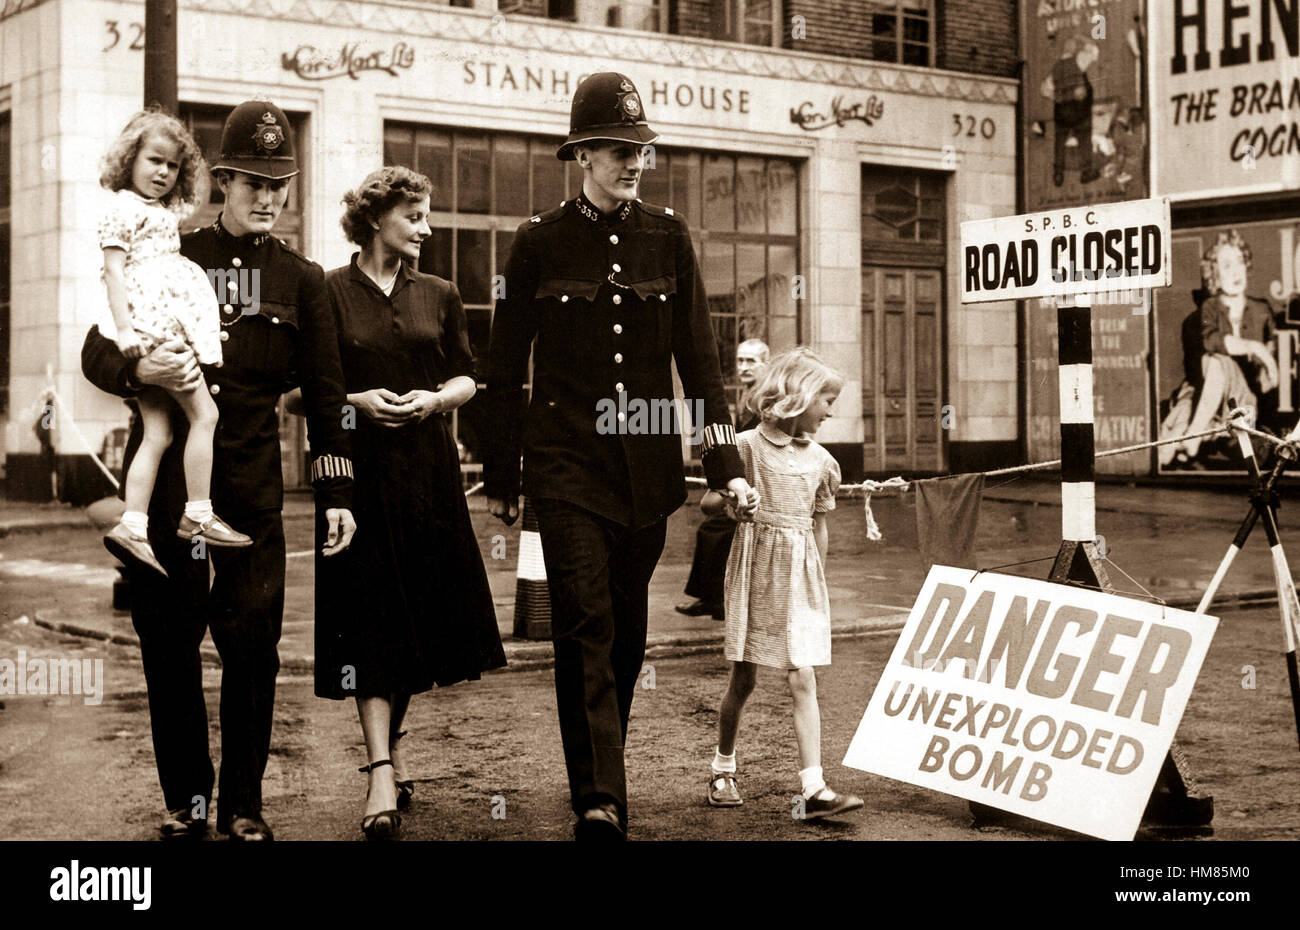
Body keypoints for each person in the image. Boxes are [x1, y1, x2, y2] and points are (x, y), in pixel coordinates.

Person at [483, 72, 756, 841]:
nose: (634, 162)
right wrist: (503, 471)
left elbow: (700, 360)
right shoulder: (537, 241)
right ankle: (600, 797)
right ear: (583, 155)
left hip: (645, 473)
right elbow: (506, 365)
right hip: (565, 467)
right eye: (618, 149)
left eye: (641, 149)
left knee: (627, 635)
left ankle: (604, 760)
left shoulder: (667, 235)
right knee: (585, 625)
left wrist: (726, 465)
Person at [81, 100, 356, 842]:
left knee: (252, 649)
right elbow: (96, 349)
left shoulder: (305, 281)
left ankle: (242, 805)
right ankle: (186, 801)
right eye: (253, 183)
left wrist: (335, 491)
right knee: (168, 649)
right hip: (170, 497)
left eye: (280, 185)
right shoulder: (171, 248)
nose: (267, 198)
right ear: (223, 182)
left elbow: (329, 397)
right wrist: (138, 363)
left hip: (253, 496)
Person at [315, 166, 506, 840]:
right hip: (358, 479)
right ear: (375, 220)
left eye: (427, 217)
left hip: (428, 475)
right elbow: (311, 391)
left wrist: (437, 398)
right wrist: (353, 403)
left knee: (417, 624)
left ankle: (387, 757)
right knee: (370, 622)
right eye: (415, 217)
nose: (426, 229)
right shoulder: (329, 292)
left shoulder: (442, 292)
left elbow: (466, 375)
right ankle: (379, 772)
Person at [703, 347, 864, 820]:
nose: (832, 411)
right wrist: (735, 502)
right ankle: (722, 767)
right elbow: (708, 504)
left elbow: (819, 524)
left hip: (801, 574)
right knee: (745, 677)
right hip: (755, 568)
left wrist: (821, 580)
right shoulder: (746, 447)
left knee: (803, 675)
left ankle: (814, 789)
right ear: (801, 395)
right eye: (827, 400)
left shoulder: (823, 462)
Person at [98, 110, 252, 577]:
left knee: (159, 433)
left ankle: (132, 522)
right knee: (206, 413)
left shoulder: (155, 210)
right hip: (153, 324)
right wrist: (126, 330)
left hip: (157, 320)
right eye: (154, 161)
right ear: (129, 161)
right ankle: (199, 513)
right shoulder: (124, 208)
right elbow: (113, 270)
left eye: (172, 167)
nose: (162, 173)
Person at [1159, 230, 1279, 467]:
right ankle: (1191, 439)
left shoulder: (1262, 310)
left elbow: (1269, 381)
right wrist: (1256, 348)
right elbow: (1211, 342)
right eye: (1226, 265)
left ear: (1247, 266)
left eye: (1239, 262)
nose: (1235, 271)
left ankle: (1195, 437)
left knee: (1218, 362)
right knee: (1167, 444)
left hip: (1242, 399)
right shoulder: (1210, 307)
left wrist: (1267, 362)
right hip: (1205, 394)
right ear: (1213, 274)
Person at [676, 338, 769, 620]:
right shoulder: (745, 396)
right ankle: (714, 598)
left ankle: (718, 600)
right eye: (740, 361)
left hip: (758, 480)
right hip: (739, 478)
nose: (743, 367)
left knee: (717, 530)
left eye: (751, 361)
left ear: (767, 363)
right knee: (713, 530)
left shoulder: (769, 398)